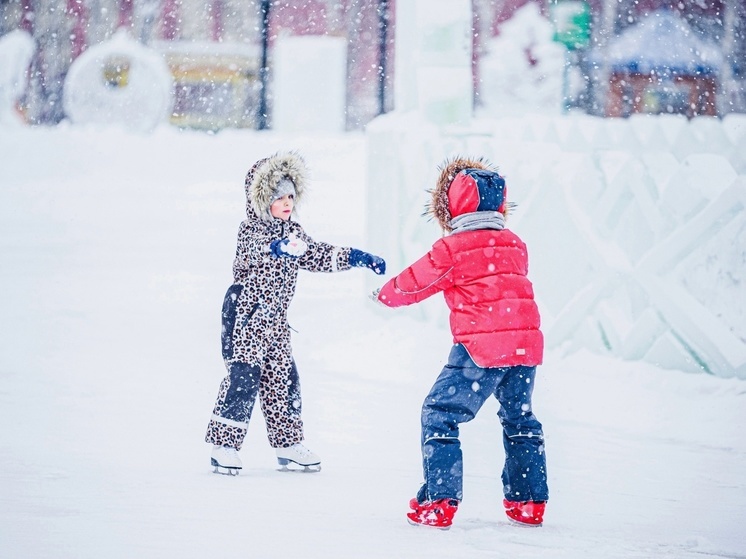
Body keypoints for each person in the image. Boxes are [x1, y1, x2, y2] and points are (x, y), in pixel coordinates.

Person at [373, 156, 548, 528]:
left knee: (440, 413)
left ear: (452, 206)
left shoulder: (452, 248)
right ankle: (529, 500)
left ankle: (439, 499)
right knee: (519, 418)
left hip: (480, 349)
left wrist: (384, 294)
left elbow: (415, 281)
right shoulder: (515, 243)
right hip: (525, 348)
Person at [206, 151, 385, 475]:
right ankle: (225, 445)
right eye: (278, 197)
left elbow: (316, 254)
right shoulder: (251, 230)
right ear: (262, 200)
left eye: (290, 196)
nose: (287, 203)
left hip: (276, 322)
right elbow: (256, 249)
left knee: (283, 380)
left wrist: (357, 257)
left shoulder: (294, 233)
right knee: (242, 379)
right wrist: (276, 248)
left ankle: (287, 443)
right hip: (247, 317)